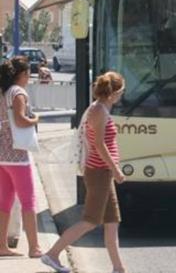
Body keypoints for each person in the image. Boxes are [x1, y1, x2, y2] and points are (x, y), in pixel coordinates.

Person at [42, 72, 127, 273]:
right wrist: (115, 170)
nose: (121, 95)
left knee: (112, 222)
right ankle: (52, 254)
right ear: (114, 92)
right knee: (90, 221)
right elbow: (99, 144)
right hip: (99, 172)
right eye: (121, 91)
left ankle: (118, 268)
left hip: (103, 172)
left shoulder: (103, 108)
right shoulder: (98, 110)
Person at [0, 56, 42, 258]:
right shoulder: (18, 93)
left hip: (2, 154)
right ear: (23, 75)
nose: (29, 78)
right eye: (28, 74)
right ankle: (34, 248)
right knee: (28, 200)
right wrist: (36, 119)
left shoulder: (4, 92)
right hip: (18, 156)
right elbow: (21, 120)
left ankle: (1, 245)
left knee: (4, 201)